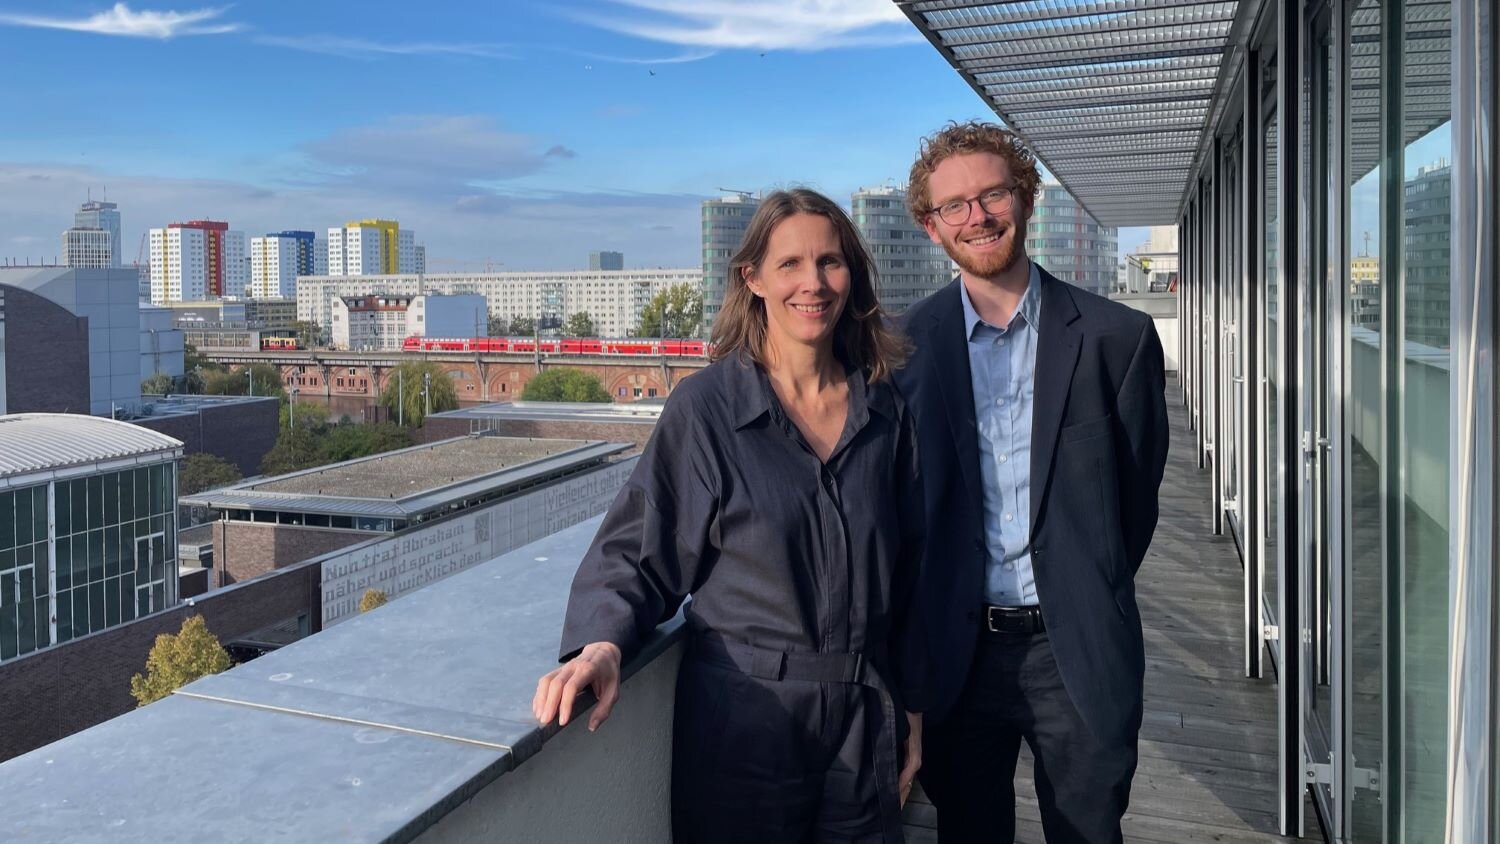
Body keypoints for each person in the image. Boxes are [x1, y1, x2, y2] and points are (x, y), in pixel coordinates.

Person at [534, 188, 927, 843]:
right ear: (753, 278)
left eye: (831, 262)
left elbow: (912, 570)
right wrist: (600, 644)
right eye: (791, 264)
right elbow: (638, 547)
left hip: (863, 725)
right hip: (744, 726)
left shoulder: (883, 412)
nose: (814, 283)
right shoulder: (708, 411)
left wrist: (912, 708)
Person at [893, 121, 1169, 843]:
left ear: (1027, 199)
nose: (976, 216)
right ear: (931, 227)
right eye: (955, 205)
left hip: (1075, 649)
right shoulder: (900, 353)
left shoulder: (1118, 338)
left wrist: (1085, 584)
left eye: (992, 194)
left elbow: (1134, 505)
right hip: (959, 654)